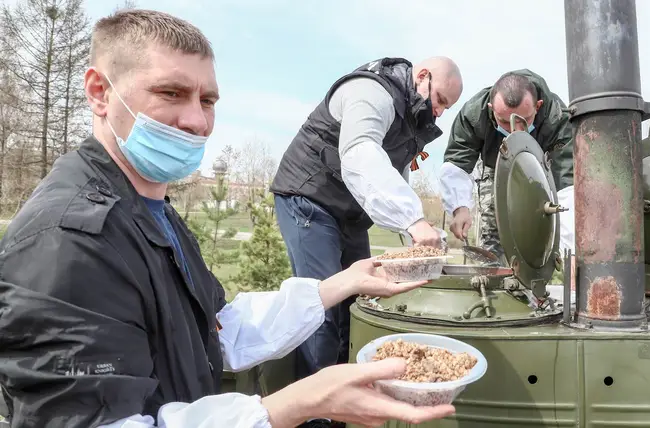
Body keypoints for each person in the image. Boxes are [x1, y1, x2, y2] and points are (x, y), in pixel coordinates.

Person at [0, 9, 456, 428]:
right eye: (170, 93)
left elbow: (216, 331)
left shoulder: (153, 213)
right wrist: (290, 406)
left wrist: (346, 281)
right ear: (100, 92)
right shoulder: (66, 243)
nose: (197, 121)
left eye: (209, 100)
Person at [268, 56, 464, 386]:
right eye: (440, 99)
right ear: (423, 76)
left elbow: (394, 180)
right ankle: (315, 415)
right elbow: (360, 154)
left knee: (360, 300)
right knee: (323, 309)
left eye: (448, 107)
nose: (441, 111)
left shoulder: (409, 121)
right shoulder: (371, 91)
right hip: (309, 199)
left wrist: (418, 233)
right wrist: (413, 220)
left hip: (348, 214)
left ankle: (344, 399)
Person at [440, 69, 575, 263]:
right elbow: (456, 163)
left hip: (540, 173)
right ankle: (493, 280)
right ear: (490, 108)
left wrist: (569, 251)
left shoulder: (558, 118)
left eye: (524, 121)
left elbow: (566, 182)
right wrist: (459, 207)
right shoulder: (474, 114)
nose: (514, 130)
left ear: (538, 106)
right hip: (495, 168)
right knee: (494, 237)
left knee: (536, 229)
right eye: (504, 121)